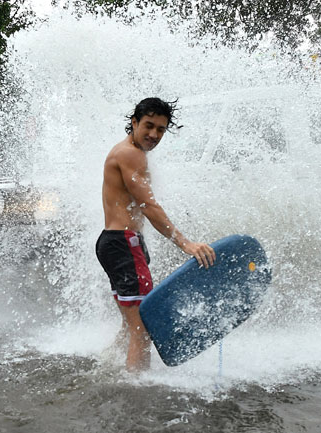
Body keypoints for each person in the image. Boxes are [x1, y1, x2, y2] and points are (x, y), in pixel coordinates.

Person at [95, 97, 216, 372]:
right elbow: (148, 205)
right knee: (143, 328)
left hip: (116, 243)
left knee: (131, 324)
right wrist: (185, 243)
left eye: (161, 129)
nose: (154, 135)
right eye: (149, 126)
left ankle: (106, 368)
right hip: (123, 245)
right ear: (134, 122)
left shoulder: (127, 152)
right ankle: (136, 394)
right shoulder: (130, 154)